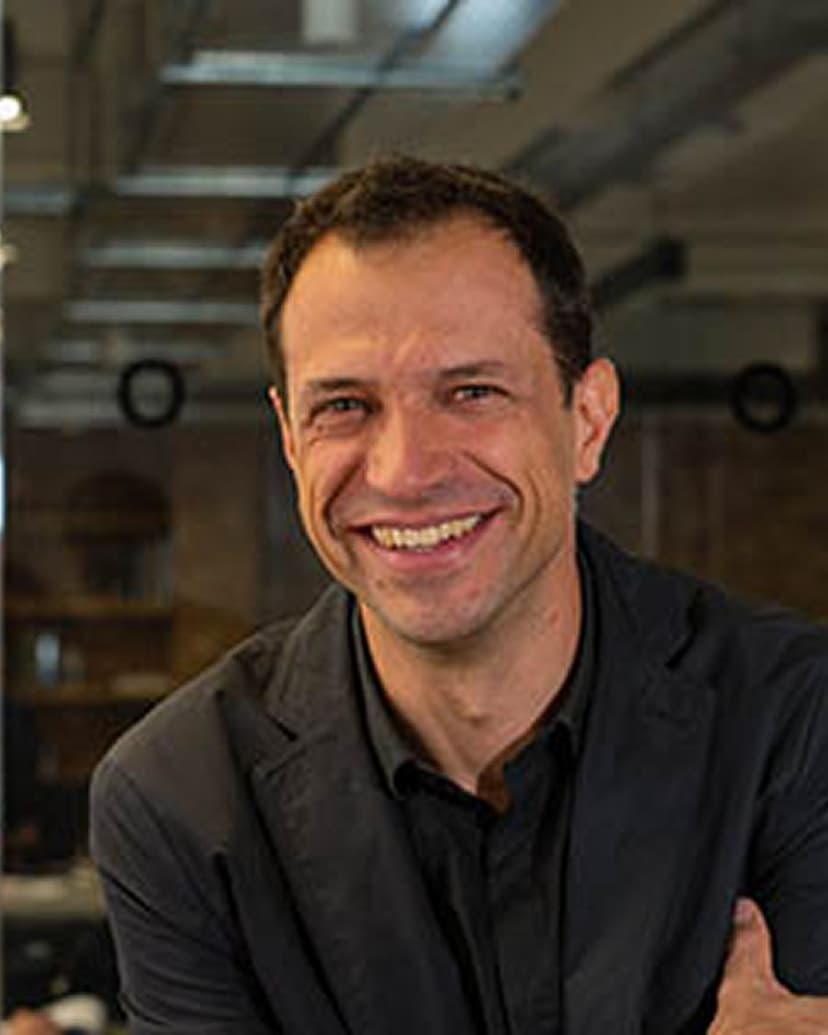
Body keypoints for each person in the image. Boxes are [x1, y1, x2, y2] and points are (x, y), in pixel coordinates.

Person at [90, 155, 828, 1034]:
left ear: (586, 421)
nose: (404, 472)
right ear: (290, 440)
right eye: (345, 406)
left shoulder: (792, 716)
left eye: (471, 391)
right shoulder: (178, 798)